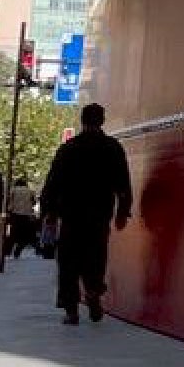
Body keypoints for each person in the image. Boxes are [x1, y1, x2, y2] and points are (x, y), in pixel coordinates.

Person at [39, 103, 132, 325]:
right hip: (100, 214)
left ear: (82, 120)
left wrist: (49, 212)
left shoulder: (68, 149)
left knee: (68, 261)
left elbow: (53, 183)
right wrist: (123, 211)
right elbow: (123, 182)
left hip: (72, 215)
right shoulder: (112, 148)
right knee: (96, 256)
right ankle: (93, 291)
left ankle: (71, 309)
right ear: (102, 121)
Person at [5, 174, 38, 259]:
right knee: (24, 234)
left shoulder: (13, 190)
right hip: (26, 215)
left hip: (15, 214)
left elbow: (9, 202)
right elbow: (34, 202)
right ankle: (18, 250)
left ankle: (8, 251)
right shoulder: (30, 191)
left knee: (13, 233)